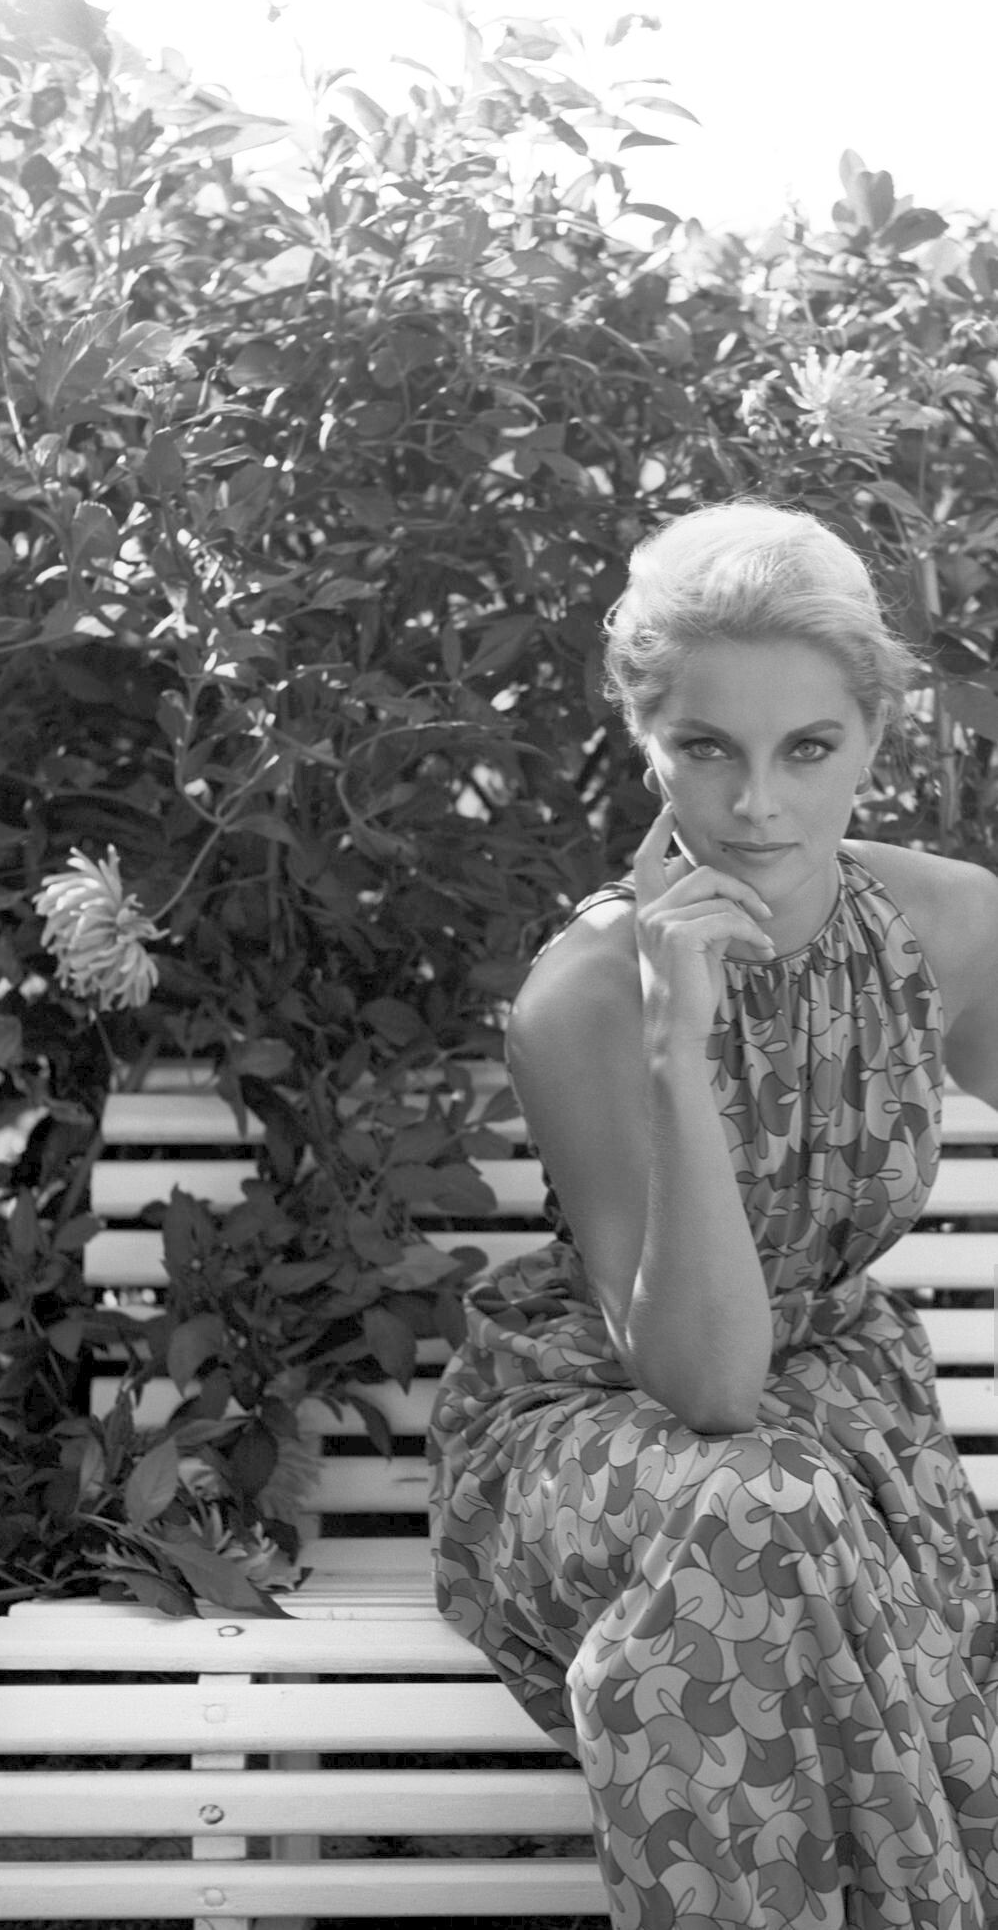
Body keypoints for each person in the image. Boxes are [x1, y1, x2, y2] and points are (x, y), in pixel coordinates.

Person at [427, 500, 998, 1930]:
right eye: (706, 748)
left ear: (875, 735)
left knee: (785, 1503)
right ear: (646, 739)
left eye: (807, 747)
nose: (755, 806)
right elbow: (707, 1387)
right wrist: (678, 1048)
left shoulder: (947, 928)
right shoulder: (582, 993)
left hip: (836, 1414)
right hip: (603, 1427)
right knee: (761, 1501)